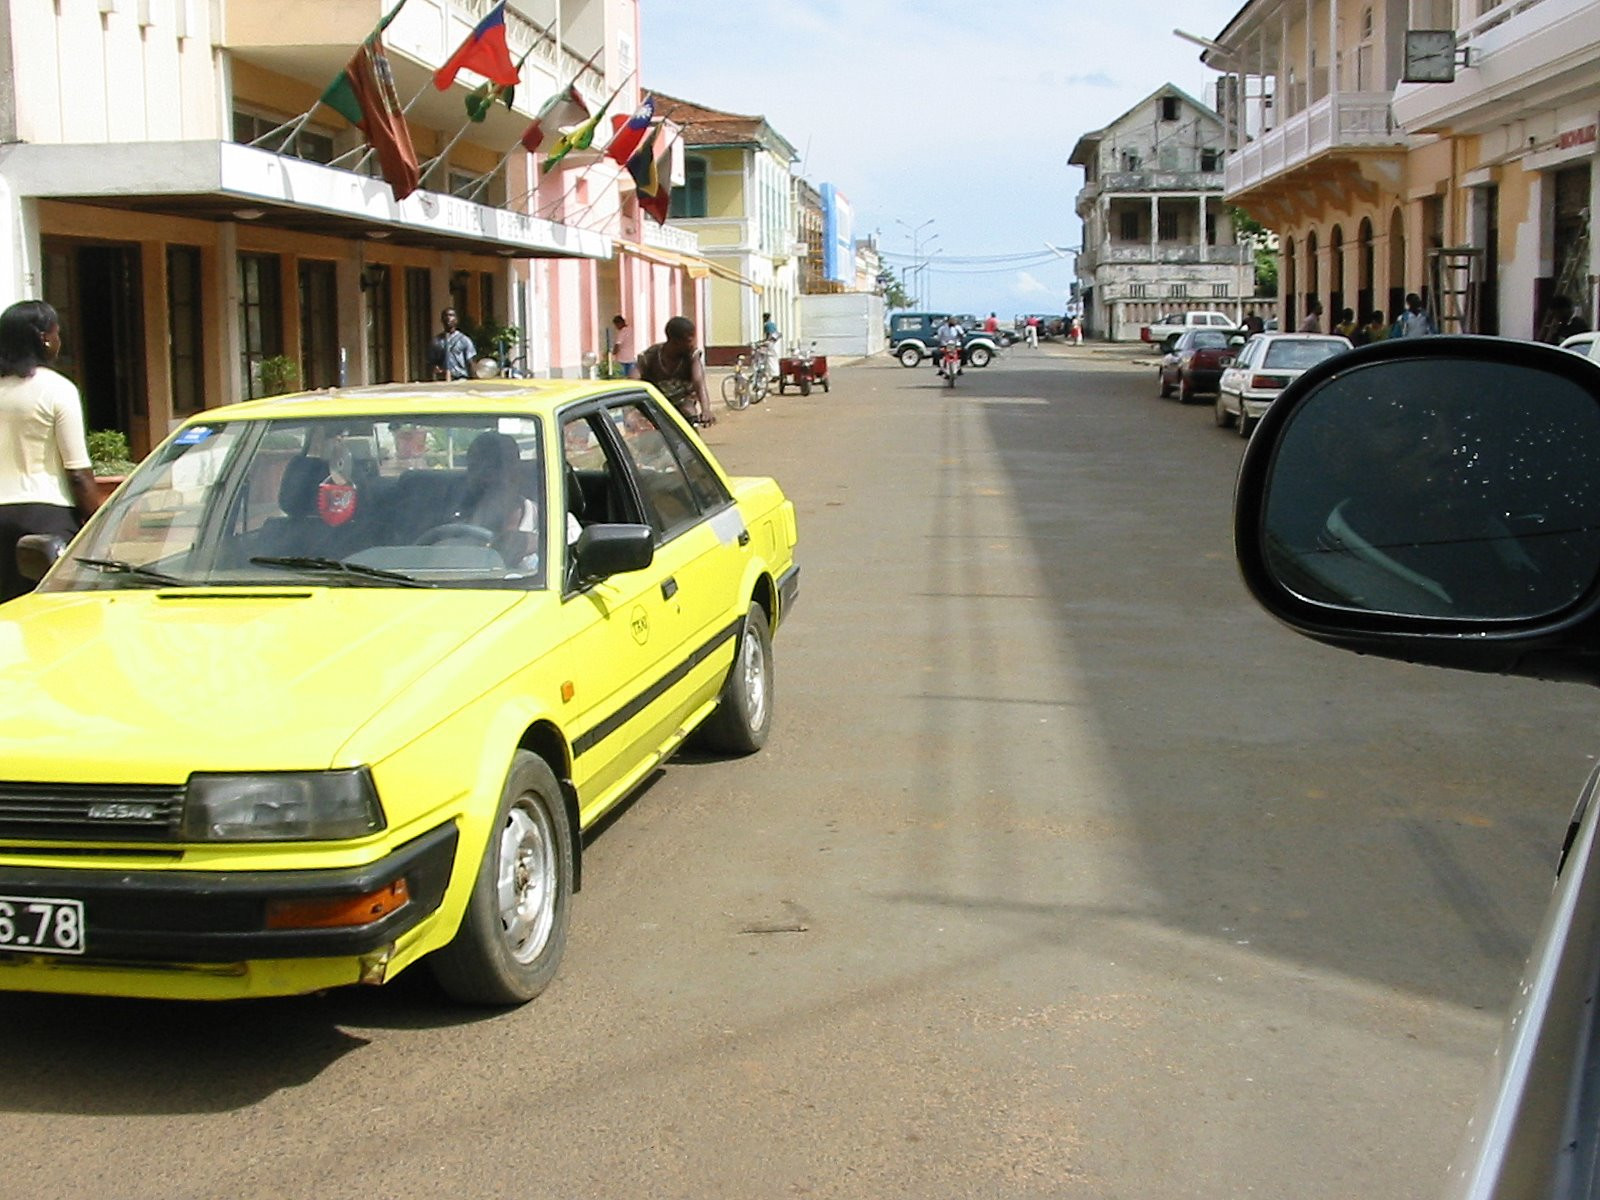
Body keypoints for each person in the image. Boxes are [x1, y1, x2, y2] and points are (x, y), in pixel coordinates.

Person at [0, 300, 99, 602]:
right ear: (44, 337)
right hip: (45, 519)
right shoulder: (58, 389)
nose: (59, 340)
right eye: (57, 333)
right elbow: (79, 473)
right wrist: (100, 523)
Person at [452, 431, 537, 570]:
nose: (488, 476)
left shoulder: (557, 523)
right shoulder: (453, 529)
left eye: (498, 466)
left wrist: (540, 544)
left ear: (518, 472)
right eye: (478, 467)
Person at [635, 316, 715, 427]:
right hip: (656, 404)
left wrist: (706, 409)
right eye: (689, 340)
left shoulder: (692, 355)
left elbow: (698, 381)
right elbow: (634, 380)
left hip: (682, 401)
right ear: (675, 341)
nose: (693, 344)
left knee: (689, 412)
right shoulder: (650, 356)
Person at [428, 308, 476, 381]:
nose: (448, 318)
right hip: (442, 380)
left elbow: (470, 361)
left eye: (451, 315)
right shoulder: (436, 341)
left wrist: (473, 380)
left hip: (460, 378)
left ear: (456, 320)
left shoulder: (464, 340)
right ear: (441, 320)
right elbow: (432, 362)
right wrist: (435, 368)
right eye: (445, 316)